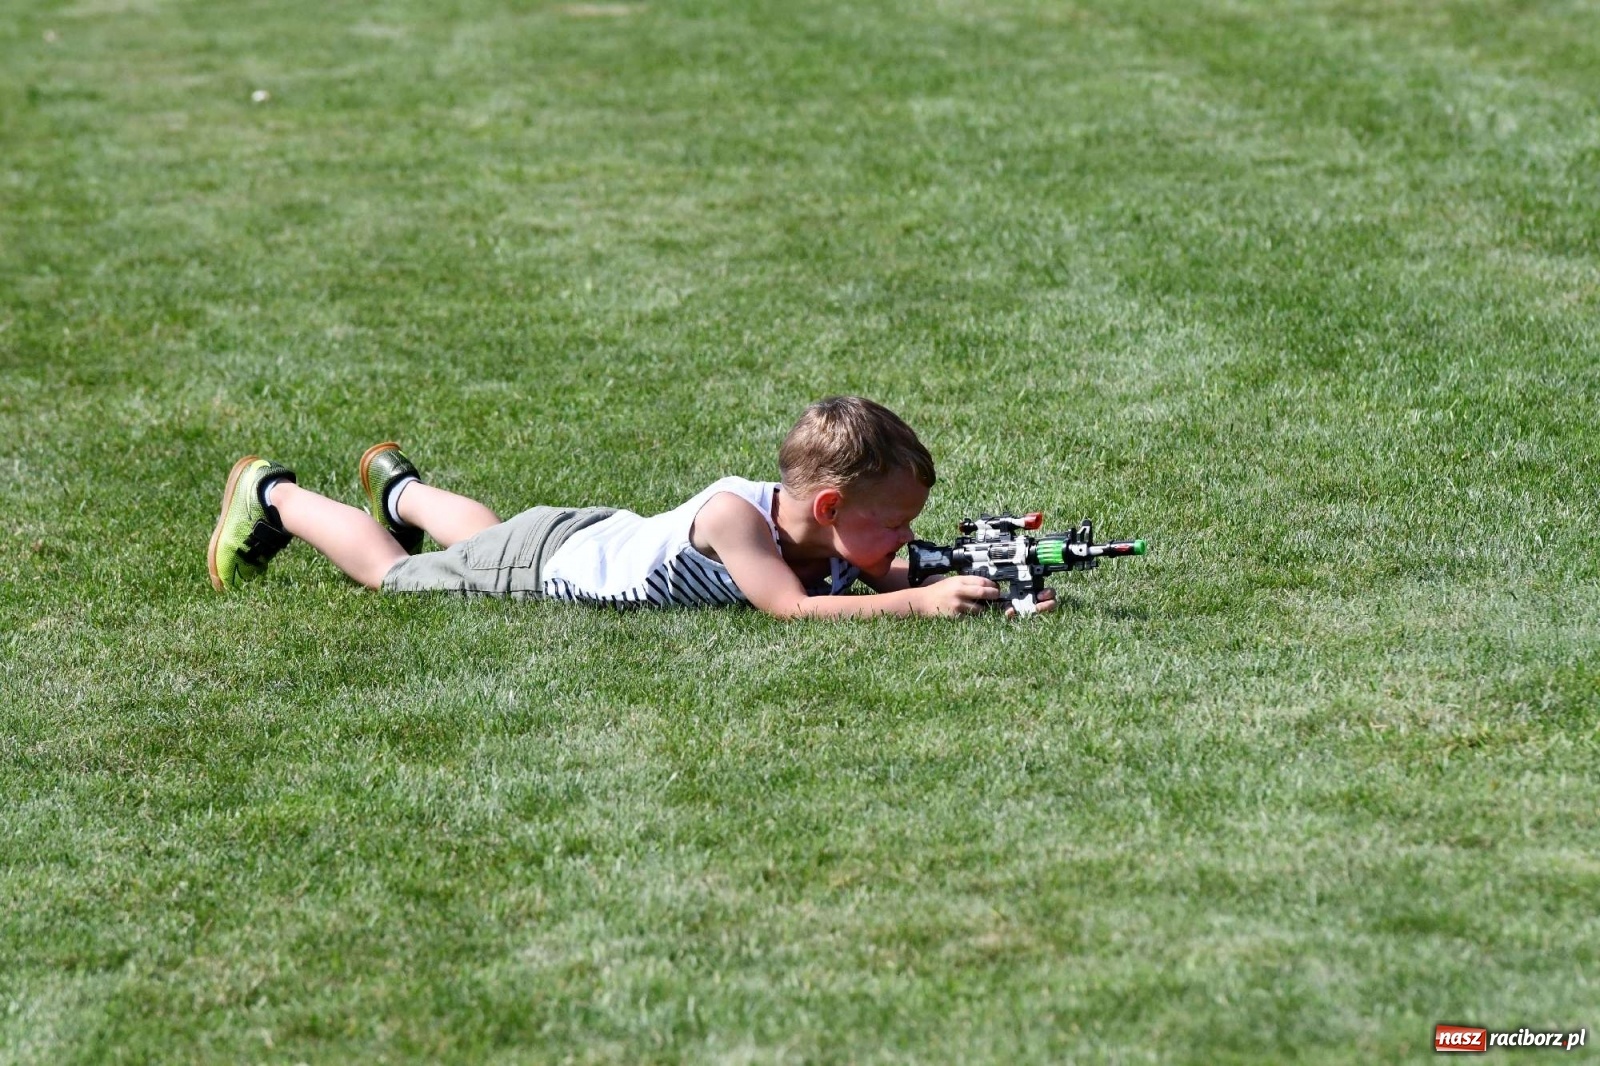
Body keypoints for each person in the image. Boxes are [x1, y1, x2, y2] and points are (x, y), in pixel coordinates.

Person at [205, 396, 1054, 618]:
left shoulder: (826, 532)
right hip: (546, 566)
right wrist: (923, 600)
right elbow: (795, 609)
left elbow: (873, 565)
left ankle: (402, 488)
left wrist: (988, 575)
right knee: (393, 574)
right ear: (829, 506)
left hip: (573, 537)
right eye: (895, 522)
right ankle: (275, 495)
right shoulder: (737, 523)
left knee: (492, 535)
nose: (905, 541)